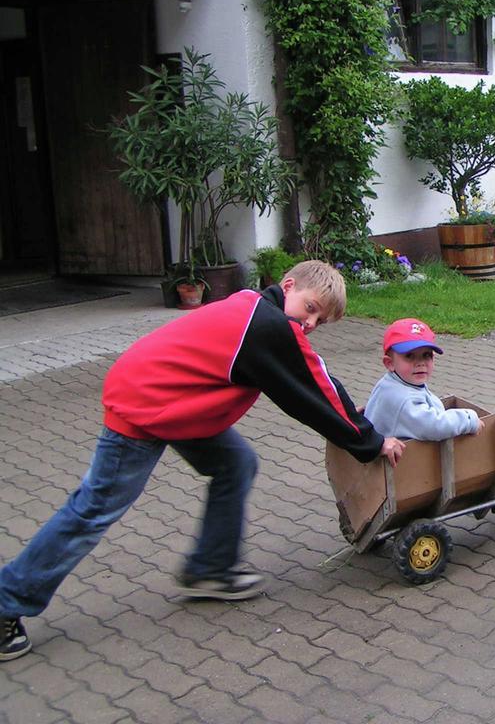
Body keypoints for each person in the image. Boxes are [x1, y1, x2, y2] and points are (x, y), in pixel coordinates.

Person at [0, 261, 404, 662]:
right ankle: (7, 603)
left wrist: (358, 430)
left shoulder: (253, 306)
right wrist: (371, 442)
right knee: (93, 509)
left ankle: (210, 568)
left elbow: (315, 383)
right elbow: (319, 391)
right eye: (312, 308)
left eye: (322, 321)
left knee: (235, 464)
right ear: (288, 285)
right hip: (147, 402)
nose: (313, 322)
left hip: (176, 403)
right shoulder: (267, 326)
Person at [364, 318, 483, 440]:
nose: (420, 363)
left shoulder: (393, 381)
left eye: (426, 355)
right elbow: (435, 427)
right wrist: (468, 419)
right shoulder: (404, 398)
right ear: (389, 363)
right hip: (403, 458)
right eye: (410, 356)